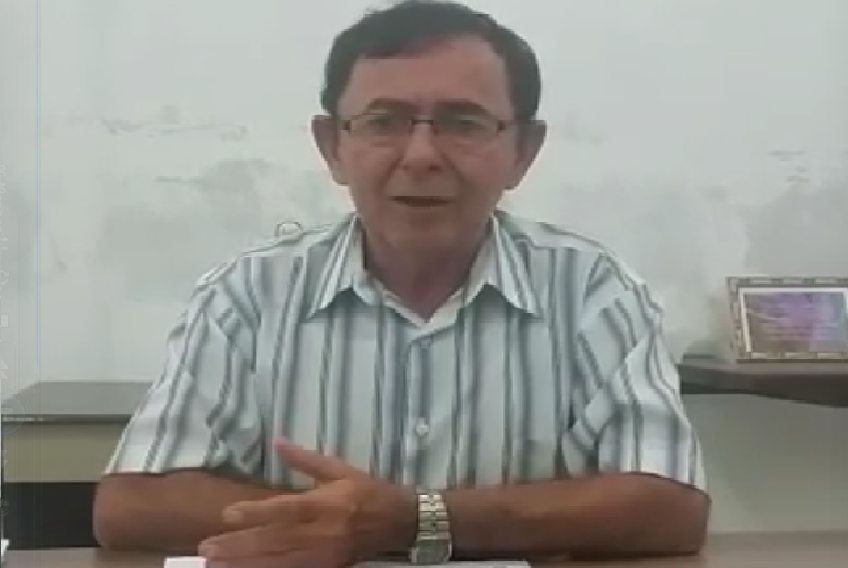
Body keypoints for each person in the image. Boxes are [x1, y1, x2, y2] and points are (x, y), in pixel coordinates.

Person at [92, 0, 710, 565]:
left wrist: (409, 520)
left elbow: (669, 509)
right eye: (383, 121)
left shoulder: (594, 291)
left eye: (463, 123)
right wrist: (334, 524)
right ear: (332, 146)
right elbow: (133, 504)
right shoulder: (248, 293)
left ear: (523, 150)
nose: (420, 156)